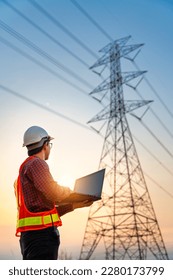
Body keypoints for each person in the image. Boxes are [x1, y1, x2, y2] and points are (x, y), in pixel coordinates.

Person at [14, 125, 92, 260]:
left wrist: (74, 205)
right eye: (49, 144)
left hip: (31, 238)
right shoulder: (37, 164)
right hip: (41, 239)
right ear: (45, 145)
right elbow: (53, 192)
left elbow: (42, 212)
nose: (49, 147)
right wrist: (72, 193)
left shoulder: (21, 176)